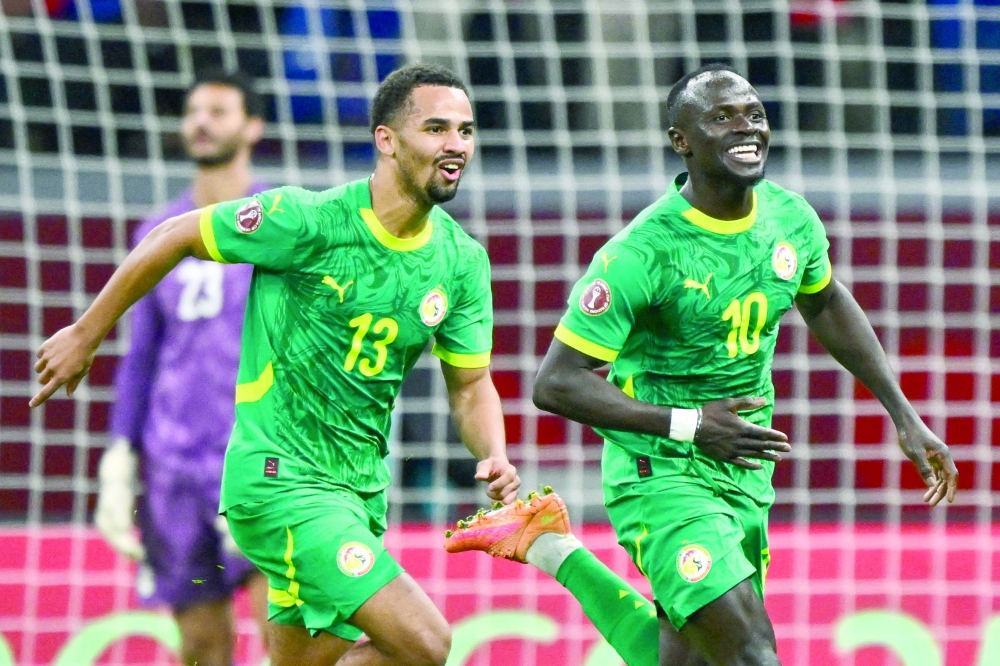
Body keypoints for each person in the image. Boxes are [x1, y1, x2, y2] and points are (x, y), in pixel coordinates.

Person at [444, 63, 958, 666]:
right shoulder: (644, 253)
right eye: (722, 117)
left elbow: (822, 300)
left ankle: (550, 546)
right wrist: (690, 424)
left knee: (688, 659)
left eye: (755, 115)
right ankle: (552, 545)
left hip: (743, 465)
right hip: (660, 472)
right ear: (680, 141)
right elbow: (555, 384)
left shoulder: (789, 219)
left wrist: (902, 413)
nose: (747, 128)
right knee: (751, 656)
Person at [32, 63, 520, 666]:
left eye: (466, 131)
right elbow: (175, 234)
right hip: (277, 480)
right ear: (386, 140)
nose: (457, 146)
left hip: (359, 492)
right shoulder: (307, 221)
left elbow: (470, 386)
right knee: (427, 645)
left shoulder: (461, 262)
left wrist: (492, 452)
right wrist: (86, 332)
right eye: (437, 128)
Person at [95, 68, 270, 666]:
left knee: (286, 632)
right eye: (194, 110)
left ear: (252, 126)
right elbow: (141, 356)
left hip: (259, 459)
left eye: (219, 111)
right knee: (199, 644)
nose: (201, 121)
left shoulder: (280, 225)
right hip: (174, 468)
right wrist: (120, 454)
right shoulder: (157, 233)